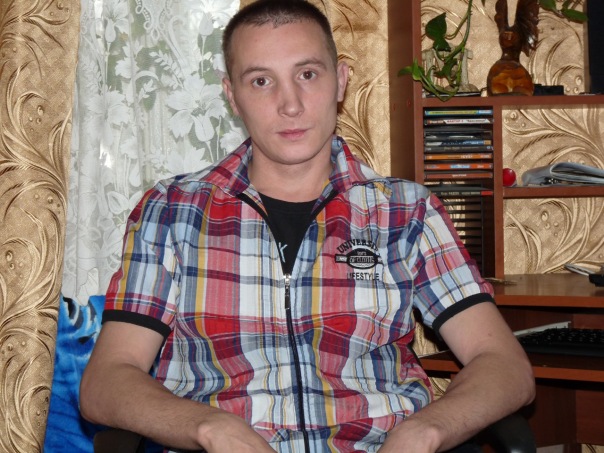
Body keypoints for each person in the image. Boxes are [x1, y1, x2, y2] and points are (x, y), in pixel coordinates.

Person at [79, 1, 535, 452]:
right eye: (261, 81)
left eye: (308, 74)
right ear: (232, 95)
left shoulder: (406, 212)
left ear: (341, 80)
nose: (290, 105)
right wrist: (209, 428)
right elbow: (106, 381)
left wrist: (426, 431)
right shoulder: (172, 211)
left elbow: (504, 365)